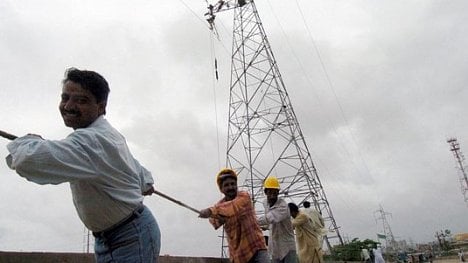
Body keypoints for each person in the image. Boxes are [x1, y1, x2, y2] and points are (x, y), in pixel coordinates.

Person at [5, 68, 161, 262]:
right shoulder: (106, 135)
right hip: (117, 235)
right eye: (65, 98)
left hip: (130, 237)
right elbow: (132, 165)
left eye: (81, 100)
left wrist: (28, 141)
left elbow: (29, 160)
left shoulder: (91, 142)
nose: (69, 106)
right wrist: (145, 181)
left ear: (101, 107)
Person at [199, 168, 268, 263]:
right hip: (239, 255)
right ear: (222, 189)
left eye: (233, 184)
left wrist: (210, 211)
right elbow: (214, 222)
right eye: (226, 185)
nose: (230, 187)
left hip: (256, 248)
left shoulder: (244, 197)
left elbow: (232, 207)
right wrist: (214, 217)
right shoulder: (220, 206)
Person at [257, 176, 298, 263]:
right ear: (265, 192)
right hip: (275, 247)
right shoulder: (266, 203)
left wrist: (251, 221)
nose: (272, 196)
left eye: (275, 193)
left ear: (278, 193)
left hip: (287, 247)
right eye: (270, 192)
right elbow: (272, 222)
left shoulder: (283, 206)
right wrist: (266, 226)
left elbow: (270, 217)